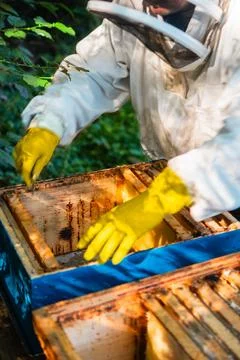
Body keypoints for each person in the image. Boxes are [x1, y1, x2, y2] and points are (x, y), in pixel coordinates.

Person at [14, 0, 240, 265]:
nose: (151, 3)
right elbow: (94, 71)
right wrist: (50, 121)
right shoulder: (137, 6)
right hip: (167, 183)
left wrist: (163, 196)